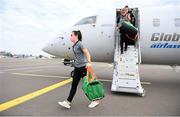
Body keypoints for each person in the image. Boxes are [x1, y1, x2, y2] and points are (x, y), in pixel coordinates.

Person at [58, 30, 100, 109]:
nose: (70, 37)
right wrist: (74, 62)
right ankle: (68, 102)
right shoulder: (74, 45)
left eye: (71, 35)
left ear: (76, 36)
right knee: (74, 85)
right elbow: (79, 56)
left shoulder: (80, 44)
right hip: (77, 68)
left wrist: (89, 62)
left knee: (88, 85)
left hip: (84, 67)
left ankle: (95, 101)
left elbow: (87, 52)